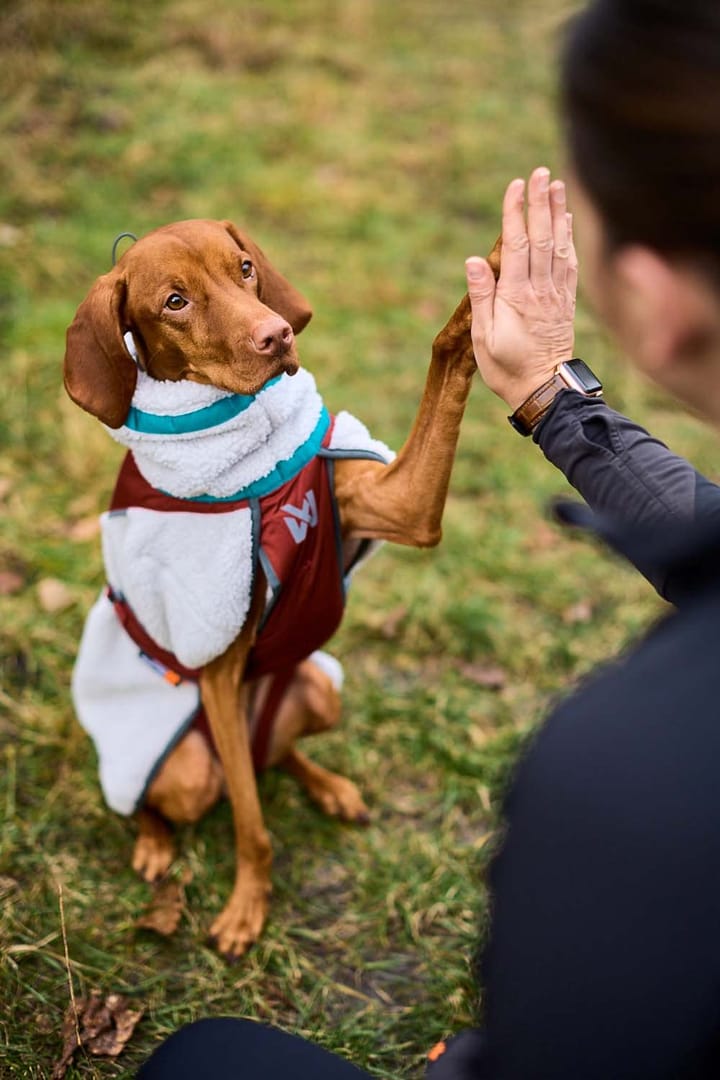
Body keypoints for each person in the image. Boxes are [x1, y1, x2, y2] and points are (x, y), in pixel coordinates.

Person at [138, 0, 720, 1075]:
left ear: (649, 296)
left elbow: (407, 518)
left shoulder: (620, 776)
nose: (260, 320)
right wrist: (550, 394)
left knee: (194, 1060)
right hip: (191, 690)